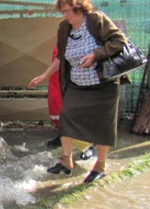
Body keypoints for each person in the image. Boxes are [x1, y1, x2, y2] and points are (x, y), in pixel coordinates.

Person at [28, 0, 126, 183]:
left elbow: (119, 40)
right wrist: (44, 75)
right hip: (77, 84)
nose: (65, 15)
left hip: (103, 84)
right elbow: (60, 57)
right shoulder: (64, 28)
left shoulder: (96, 19)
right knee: (67, 115)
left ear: (80, 8)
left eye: (68, 11)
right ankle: (66, 161)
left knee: (103, 124)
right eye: (62, 12)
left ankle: (100, 166)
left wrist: (95, 55)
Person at [45, 46, 97, 160]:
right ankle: (63, 134)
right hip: (62, 64)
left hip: (80, 63)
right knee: (56, 103)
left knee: (79, 108)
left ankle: (89, 144)